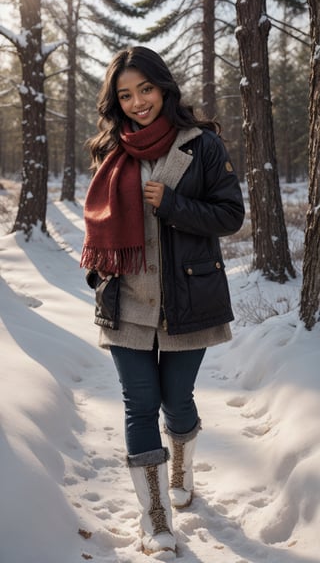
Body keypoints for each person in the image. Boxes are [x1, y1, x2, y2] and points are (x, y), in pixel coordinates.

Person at [81, 46, 245, 557]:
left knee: (177, 403)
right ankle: (155, 517)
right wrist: (98, 264)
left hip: (188, 300)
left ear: (164, 88)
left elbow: (230, 216)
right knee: (139, 405)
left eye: (145, 90)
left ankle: (181, 462)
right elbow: (103, 222)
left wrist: (172, 204)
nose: (137, 103)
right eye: (125, 95)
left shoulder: (204, 145)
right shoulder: (111, 151)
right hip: (126, 301)